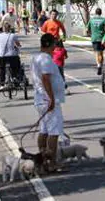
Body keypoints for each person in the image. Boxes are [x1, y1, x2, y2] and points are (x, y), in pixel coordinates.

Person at [30, 33, 66, 172]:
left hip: (41, 98)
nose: (55, 48)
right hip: (48, 100)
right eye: (54, 44)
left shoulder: (37, 57)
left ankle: (43, 160)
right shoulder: (45, 59)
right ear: (49, 44)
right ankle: (52, 163)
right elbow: (46, 79)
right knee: (54, 131)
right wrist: (51, 98)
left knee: (44, 130)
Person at [87, 8, 105, 75]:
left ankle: (99, 65)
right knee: (101, 53)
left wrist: (90, 34)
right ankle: (101, 65)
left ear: (95, 13)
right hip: (102, 38)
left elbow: (87, 29)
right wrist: (104, 31)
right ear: (101, 13)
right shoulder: (103, 19)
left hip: (94, 38)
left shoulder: (91, 20)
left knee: (97, 53)